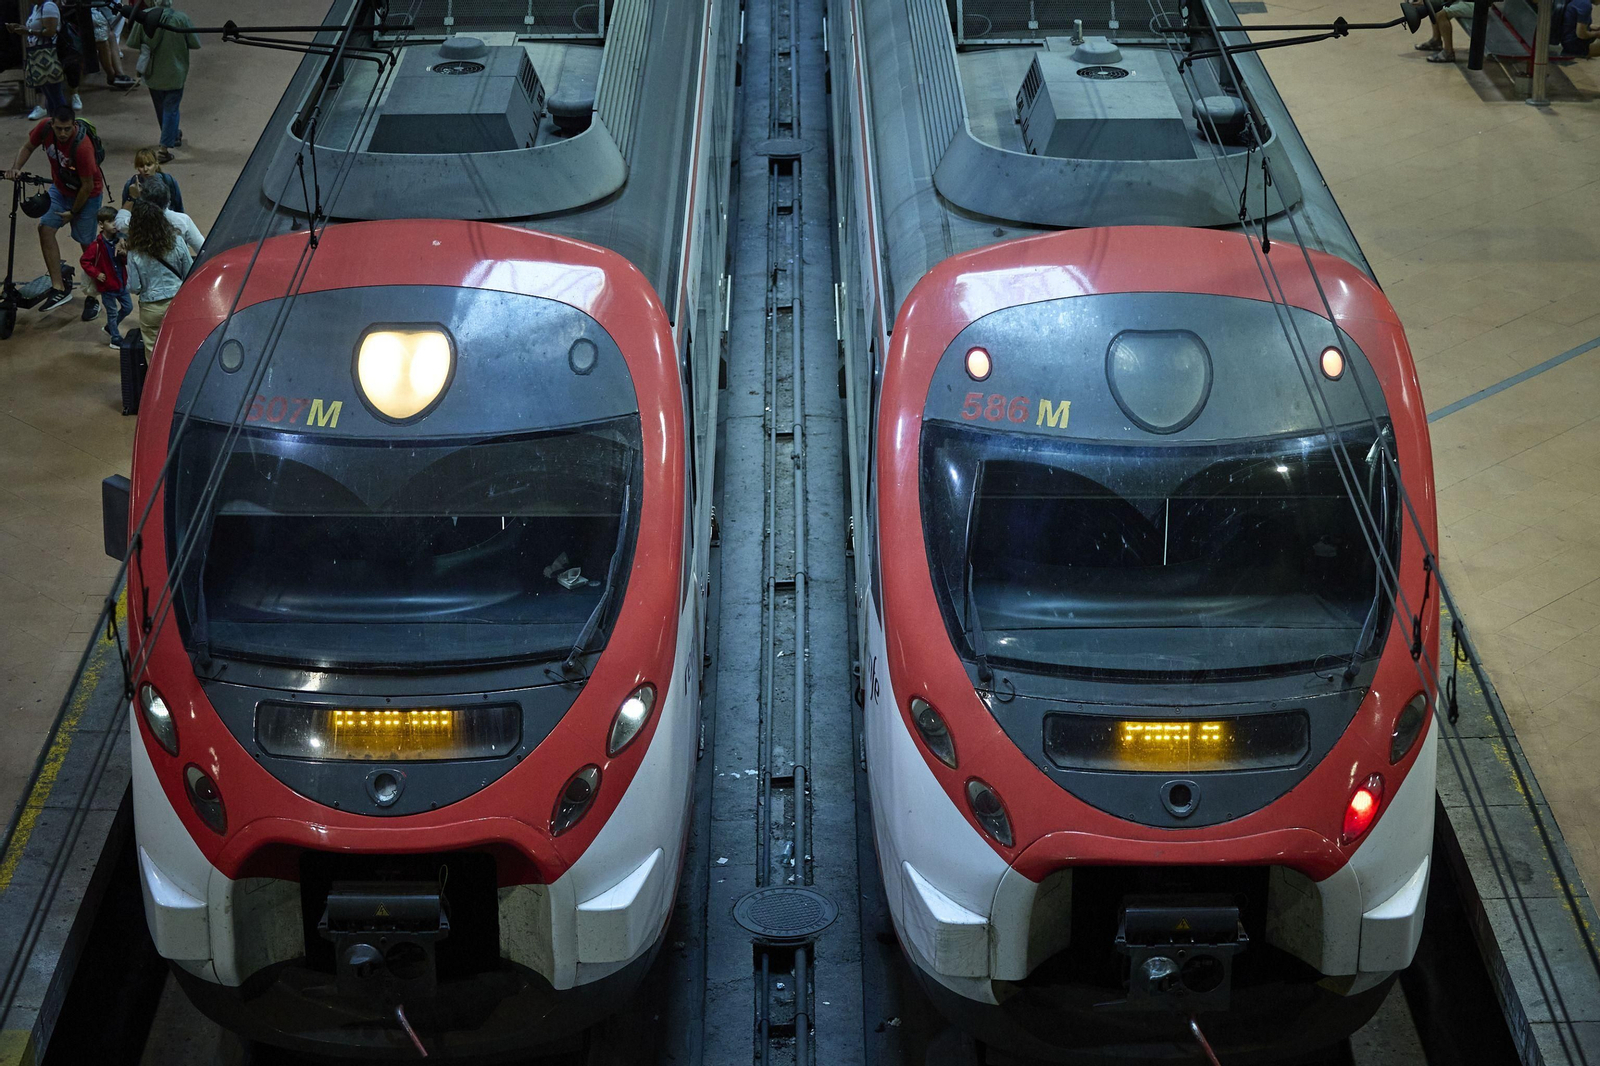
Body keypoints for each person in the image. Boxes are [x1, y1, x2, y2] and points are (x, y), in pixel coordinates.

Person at [5, 105, 105, 314]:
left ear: (74, 125)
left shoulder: (83, 147)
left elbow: (87, 186)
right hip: (60, 190)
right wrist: (16, 168)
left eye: (67, 129)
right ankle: (58, 287)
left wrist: (73, 213)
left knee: (87, 244)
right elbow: (27, 147)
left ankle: (94, 296)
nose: (62, 133)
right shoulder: (44, 128)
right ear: (52, 124)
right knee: (45, 229)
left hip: (87, 195)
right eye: (58, 128)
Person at [126, 0, 200, 163]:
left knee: (161, 107)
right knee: (171, 108)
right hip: (176, 72)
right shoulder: (181, 18)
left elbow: (131, 42)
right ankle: (164, 148)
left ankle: (172, 135)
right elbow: (195, 43)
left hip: (152, 72)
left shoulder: (145, 17)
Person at [124, 199, 191, 346]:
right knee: (182, 346)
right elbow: (189, 273)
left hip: (151, 308)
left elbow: (134, 287)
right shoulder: (178, 242)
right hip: (177, 303)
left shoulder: (134, 252)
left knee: (154, 353)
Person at [6, 1, 68, 120]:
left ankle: (64, 123)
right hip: (38, 55)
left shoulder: (49, 6)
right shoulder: (36, 8)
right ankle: (54, 124)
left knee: (55, 94)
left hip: (50, 55)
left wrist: (27, 31)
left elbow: (50, 31)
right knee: (49, 96)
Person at [80, 206, 131, 347]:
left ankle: (110, 326)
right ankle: (115, 338)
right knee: (112, 312)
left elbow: (125, 262)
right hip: (107, 286)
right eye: (110, 221)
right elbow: (84, 261)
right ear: (101, 225)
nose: (115, 225)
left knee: (128, 307)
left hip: (121, 282)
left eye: (116, 221)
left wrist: (124, 255)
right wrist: (96, 274)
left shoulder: (119, 241)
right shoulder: (96, 246)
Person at [115, 177, 202, 255]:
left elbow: (119, 222)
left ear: (144, 202)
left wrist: (132, 196)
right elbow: (202, 248)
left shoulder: (137, 222)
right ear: (168, 200)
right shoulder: (182, 220)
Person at [120, 148, 183, 214]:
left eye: (149, 165)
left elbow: (179, 207)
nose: (145, 169)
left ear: (156, 164)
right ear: (137, 168)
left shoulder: (168, 180)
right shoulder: (130, 184)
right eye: (141, 166)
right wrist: (132, 197)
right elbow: (125, 212)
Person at [90, 5, 134, 88]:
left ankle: (119, 74)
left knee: (111, 36)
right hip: (84, 11)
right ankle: (111, 76)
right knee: (102, 39)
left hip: (95, 8)